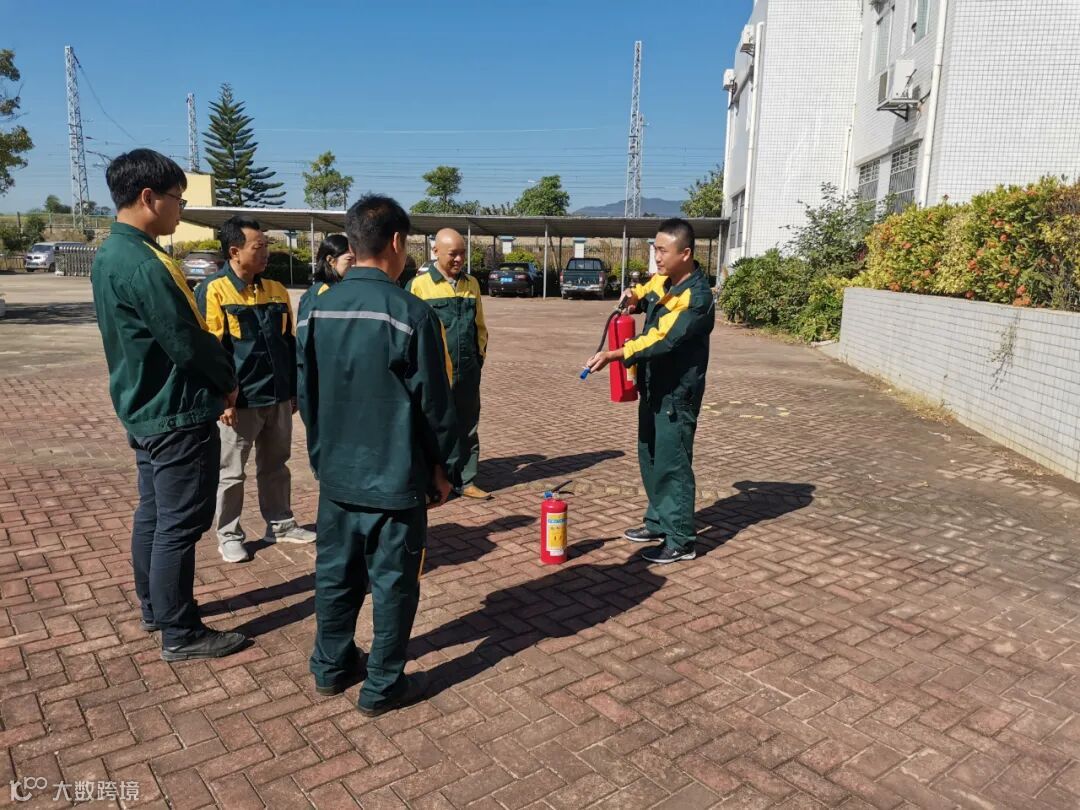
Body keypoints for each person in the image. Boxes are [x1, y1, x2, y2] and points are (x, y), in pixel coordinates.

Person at [298, 194, 461, 715]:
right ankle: (383, 685)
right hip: (395, 477)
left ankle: (330, 665)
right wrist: (445, 468)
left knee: (335, 573)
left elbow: (306, 394)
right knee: (393, 582)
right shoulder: (411, 313)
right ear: (395, 242)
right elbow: (435, 406)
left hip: (337, 473)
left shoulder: (315, 307)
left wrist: (322, 454)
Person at [90, 148, 247, 661]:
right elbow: (185, 340)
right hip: (174, 409)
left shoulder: (112, 254)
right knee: (179, 523)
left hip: (143, 405)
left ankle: (156, 609)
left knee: (155, 515)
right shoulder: (144, 263)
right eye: (178, 199)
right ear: (148, 197)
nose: (181, 209)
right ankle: (180, 631)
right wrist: (226, 380)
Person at [587, 218, 715, 564]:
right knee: (652, 456)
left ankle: (681, 539)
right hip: (653, 387)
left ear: (685, 254)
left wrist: (616, 354)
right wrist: (632, 297)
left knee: (673, 464)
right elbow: (645, 292)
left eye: (663, 251)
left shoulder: (696, 297)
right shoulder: (666, 280)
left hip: (677, 393)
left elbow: (663, 338)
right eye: (655, 250)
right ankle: (659, 521)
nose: (657, 257)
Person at [195, 216, 315, 563]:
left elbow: (288, 343)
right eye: (258, 247)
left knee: (276, 465)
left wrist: (292, 390)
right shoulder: (214, 290)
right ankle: (229, 534)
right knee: (231, 472)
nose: (265, 253)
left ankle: (280, 524)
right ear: (235, 251)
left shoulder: (275, 289)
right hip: (238, 401)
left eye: (266, 247)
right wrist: (222, 398)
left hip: (276, 397)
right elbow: (210, 350)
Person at [406, 229, 490, 499]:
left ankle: (466, 480)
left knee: (467, 426)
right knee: (431, 426)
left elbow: (479, 326)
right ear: (436, 252)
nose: (459, 259)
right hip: (434, 372)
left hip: (467, 369)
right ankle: (431, 482)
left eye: (463, 253)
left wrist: (478, 358)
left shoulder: (471, 284)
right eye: (453, 254)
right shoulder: (418, 286)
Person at [298, 234, 352, 324]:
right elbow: (304, 329)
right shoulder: (317, 294)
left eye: (356, 259)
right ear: (330, 260)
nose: (354, 264)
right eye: (349, 259)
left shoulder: (352, 288)